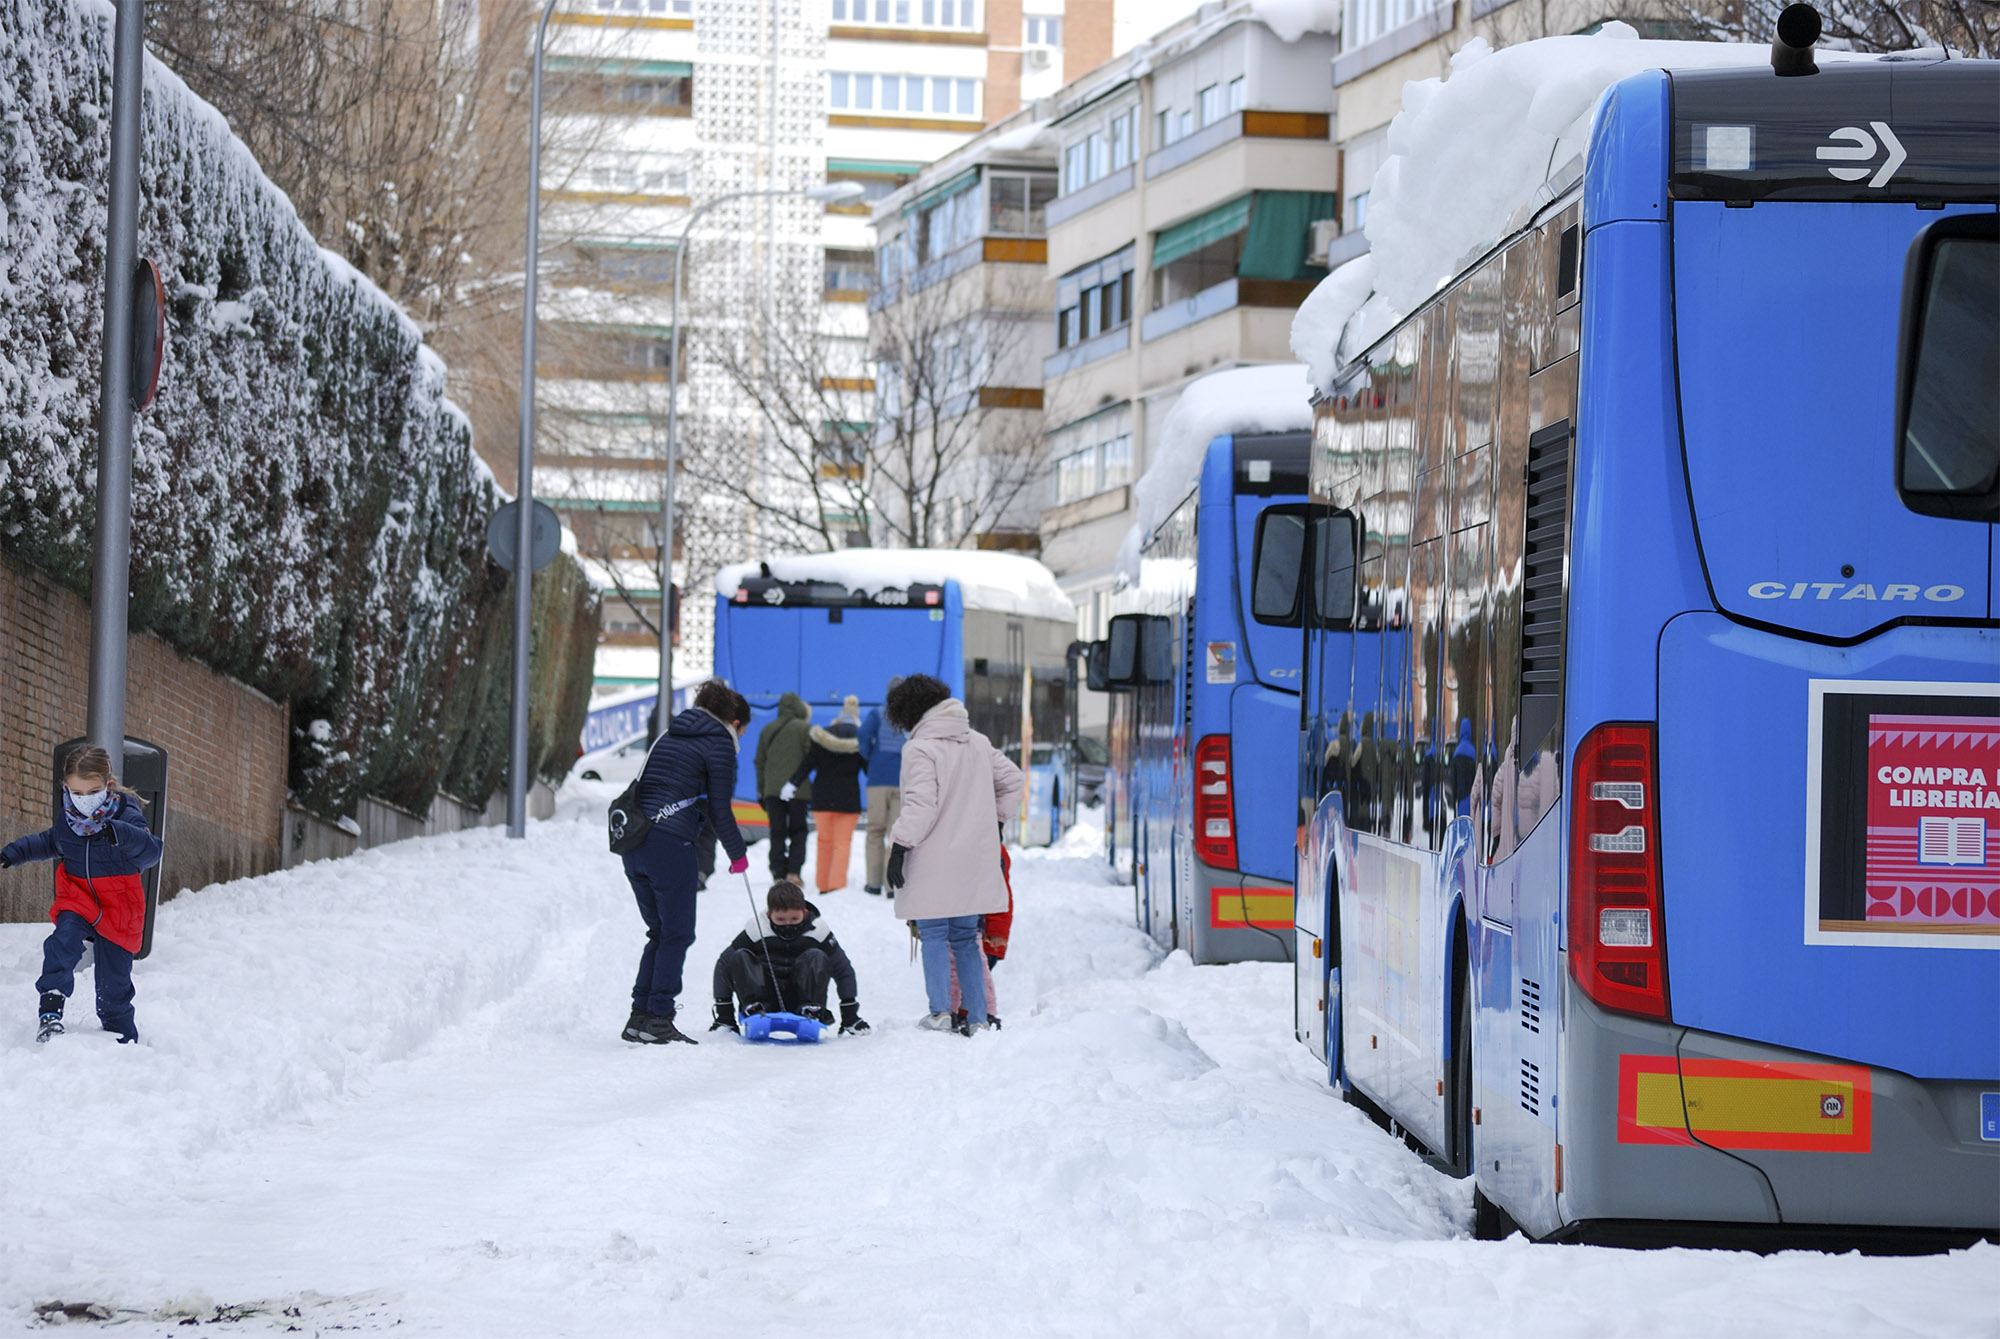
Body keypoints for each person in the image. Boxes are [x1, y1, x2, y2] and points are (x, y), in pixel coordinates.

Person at [883, 673, 1022, 1036]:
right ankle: (977, 1017)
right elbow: (1013, 779)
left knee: (932, 934)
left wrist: (899, 845)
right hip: (974, 858)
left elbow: (921, 805)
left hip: (932, 856)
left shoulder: (920, 748)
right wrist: (996, 823)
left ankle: (941, 1012)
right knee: (964, 936)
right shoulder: (977, 742)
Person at [2, 745, 164, 1044]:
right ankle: (50, 1012)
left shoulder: (126, 814)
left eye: (92, 792)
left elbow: (152, 851)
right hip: (79, 898)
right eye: (77, 792)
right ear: (67, 788)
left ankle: (122, 1037)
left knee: (114, 986)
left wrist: (122, 835)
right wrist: (13, 853)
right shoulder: (68, 819)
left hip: (118, 905)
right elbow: (48, 841)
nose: (84, 800)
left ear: (108, 787)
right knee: (62, 942)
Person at [622, 679, 752, 1046]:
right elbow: (720, 809)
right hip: (670, 844)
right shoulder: (719, 744)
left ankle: (640, 1015)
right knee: (677, 933)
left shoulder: (669, 735)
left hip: (636, 841)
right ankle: (659, 1016)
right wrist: (738, 855)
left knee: (660, 932)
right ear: (735, 721)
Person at [709, 879, 869, 1036]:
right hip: (766, 996)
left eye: (794, 919)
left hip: (801, 996)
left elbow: (843, 970)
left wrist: (850, 1014)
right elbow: (724, 964)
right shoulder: (757, 929)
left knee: (817, 956)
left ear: (804, 913)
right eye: (780, 920)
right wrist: (725, 1015)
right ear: (769, 914)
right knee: (739, 956)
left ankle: (810, 1010)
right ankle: (755, 1008)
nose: (788, 925)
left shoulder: (818, 931)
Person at [785, 694, 864, 894]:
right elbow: (868, 768)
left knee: (824, 842)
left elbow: (807, 764)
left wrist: (792, 783)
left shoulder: (822, 736)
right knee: (842, 843)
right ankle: (836, 885)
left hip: (822, 798)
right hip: (848, 800)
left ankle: (823, 885)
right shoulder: (860, 738)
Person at [856, 676, 907, 895]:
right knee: (895, 834)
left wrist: (870, 758)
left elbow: (862, 735)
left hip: (877, 780)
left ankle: (873, 883)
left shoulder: (877, 713)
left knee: (875, 831)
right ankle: (892, 886)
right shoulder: (912, 717)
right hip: (903, 780)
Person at [754, 692, 812, 881]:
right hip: (798, 790)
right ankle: (793, 872)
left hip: (772, 790)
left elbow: (759, 762)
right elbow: (811, 758)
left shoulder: (767, 729)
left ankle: (778, 873)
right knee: (798, 831)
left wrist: (762, 789)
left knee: (777, 832)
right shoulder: (804, 728)